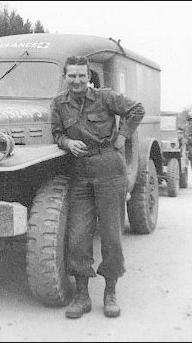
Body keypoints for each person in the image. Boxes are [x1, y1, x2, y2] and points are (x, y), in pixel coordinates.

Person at [50, 56, 145, 319]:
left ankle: (110, 291)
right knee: (78, 237)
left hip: (109, 171)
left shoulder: (105, 97)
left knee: (111, 236)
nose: (77, 80)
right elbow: (56, 133)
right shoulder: (58, 103)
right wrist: (68, 143)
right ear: (65, 77)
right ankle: (82, 295)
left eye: (82, 76)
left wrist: (123, 137)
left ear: (88, 77)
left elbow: (137, 109)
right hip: (80, 174)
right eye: (72, 76)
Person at [184, 113, 192, 177]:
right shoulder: (188, 127)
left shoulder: (189, 127)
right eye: (191, 120)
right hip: (191, 149)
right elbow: (188, 137)